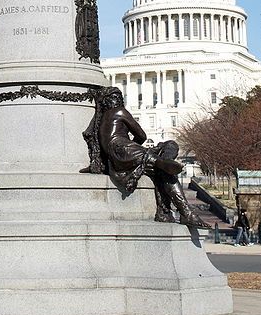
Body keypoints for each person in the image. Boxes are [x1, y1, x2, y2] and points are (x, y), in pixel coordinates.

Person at [81, 87, 210, 227]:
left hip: (116, 158)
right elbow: (142, 135)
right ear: (114, 100)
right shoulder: (119, 111)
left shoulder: (100, 119)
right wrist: (134, 145)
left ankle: (165, 207)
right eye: (117, 97)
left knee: (163, 162)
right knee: (167, 157)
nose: (118, 100)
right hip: (123, 149)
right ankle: (184, 212)